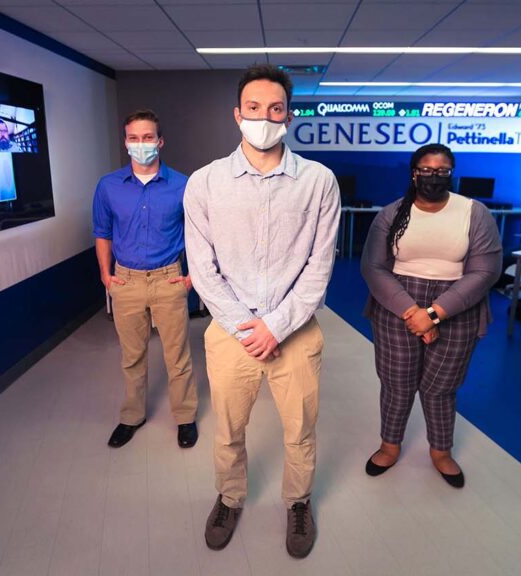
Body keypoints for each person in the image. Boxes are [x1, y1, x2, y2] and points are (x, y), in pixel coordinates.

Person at [184, 64, 339, 558]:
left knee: (300, 431)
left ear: (288, 117)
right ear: (237, 114)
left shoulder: (319, 181)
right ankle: (230, 497)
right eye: (253, 108)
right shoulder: (205, 183)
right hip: (231, 333)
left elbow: (319, 266)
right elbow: (202, 269)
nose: (264, 118)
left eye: (275, 109)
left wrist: (276, 326)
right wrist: (246, 328)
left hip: (296, 330)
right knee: (228, 430)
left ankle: (298, 501)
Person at [360, 143, 502, 489]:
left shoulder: (474, 212)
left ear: (451, 174)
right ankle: (389, 446)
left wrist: (435, 314)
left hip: (457, 304)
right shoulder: (392, 214)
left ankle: (440, 451)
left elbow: (485, 271)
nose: (434, 176)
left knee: (441, 386)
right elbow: (373, 267)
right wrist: (413, 312)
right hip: (398, 303)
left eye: (442, 171)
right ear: (414, 173)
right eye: (426, 170)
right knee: (396, 383)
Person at [93, 109, 198, 450]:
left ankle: (184, 417)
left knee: (177, 357)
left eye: (148, 137)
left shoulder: (183, 185)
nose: (141, 144)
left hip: (169, 280)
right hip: (126, 282)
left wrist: (191, 277)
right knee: (132, 356)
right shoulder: (108, 186)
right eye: (134, 138)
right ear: (125, 142)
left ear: (160, 141)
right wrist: (106, 276)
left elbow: (198, 234)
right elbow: (102, 233)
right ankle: (132, 416)